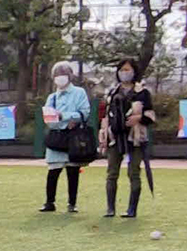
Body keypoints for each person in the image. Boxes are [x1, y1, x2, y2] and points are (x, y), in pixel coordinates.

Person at [99, 59, 156, 218]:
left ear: (134, 72)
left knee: (134, 172)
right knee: (112, 172)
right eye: (122, 70)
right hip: (114, 136)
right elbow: (104, 116)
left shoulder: (142, 92)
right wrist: (104, 133)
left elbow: (151, 115)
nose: (125, 73)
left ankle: (132, 209)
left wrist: (138, 119)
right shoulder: (112, 92)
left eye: (127, 69)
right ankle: (110, 208)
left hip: (135, 137)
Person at [41, 61, 91, 213]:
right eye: (57, 75)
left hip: (74, 137)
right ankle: (50, 202)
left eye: (63, 74)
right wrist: (61, 122)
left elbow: (84, 113)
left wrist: (67, 117)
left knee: (73, 171)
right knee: (53, 171)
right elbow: (48, 118)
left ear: (69, 76)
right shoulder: (52, 97)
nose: (60, 78)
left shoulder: (79, 93)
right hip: (57, 137)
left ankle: (72, 203)